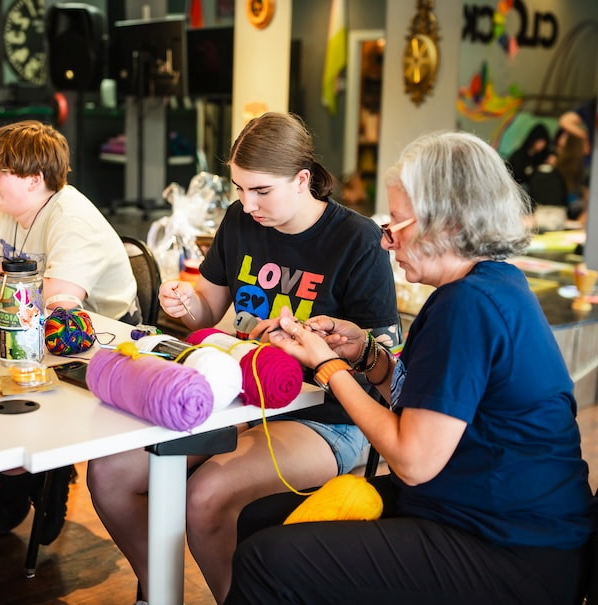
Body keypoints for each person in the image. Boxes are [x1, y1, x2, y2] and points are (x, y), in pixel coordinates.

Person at [224, 130, 596, 605]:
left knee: (267, 559)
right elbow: (424, 397)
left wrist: (330, 366)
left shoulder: (469, 305)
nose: (385, 242)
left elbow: (414, 460)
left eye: (396, 224)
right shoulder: (490, 284)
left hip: (510, 549)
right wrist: (366, 355)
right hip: (477, 512)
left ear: (447, 225)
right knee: (259, 517)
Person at [87, 111, 400, 603]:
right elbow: (208, 312)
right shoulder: (239, 221)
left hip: (326, 416)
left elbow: (383, 358)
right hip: (240, 396)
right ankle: (159, 587)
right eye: (239, 188)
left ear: (302, 180)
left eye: (261, 191)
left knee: (206, 496)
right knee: (109, 474)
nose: (247, 204)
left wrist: (329, 347)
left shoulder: (356, 240)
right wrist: (187, 304)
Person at [0, 120, 139, 545]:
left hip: (95, 341)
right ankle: (21, 477)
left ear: (35, 179)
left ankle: (33, 476)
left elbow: (59, 302)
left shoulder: (71, 219)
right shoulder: (7, 209)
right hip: (37, 328)